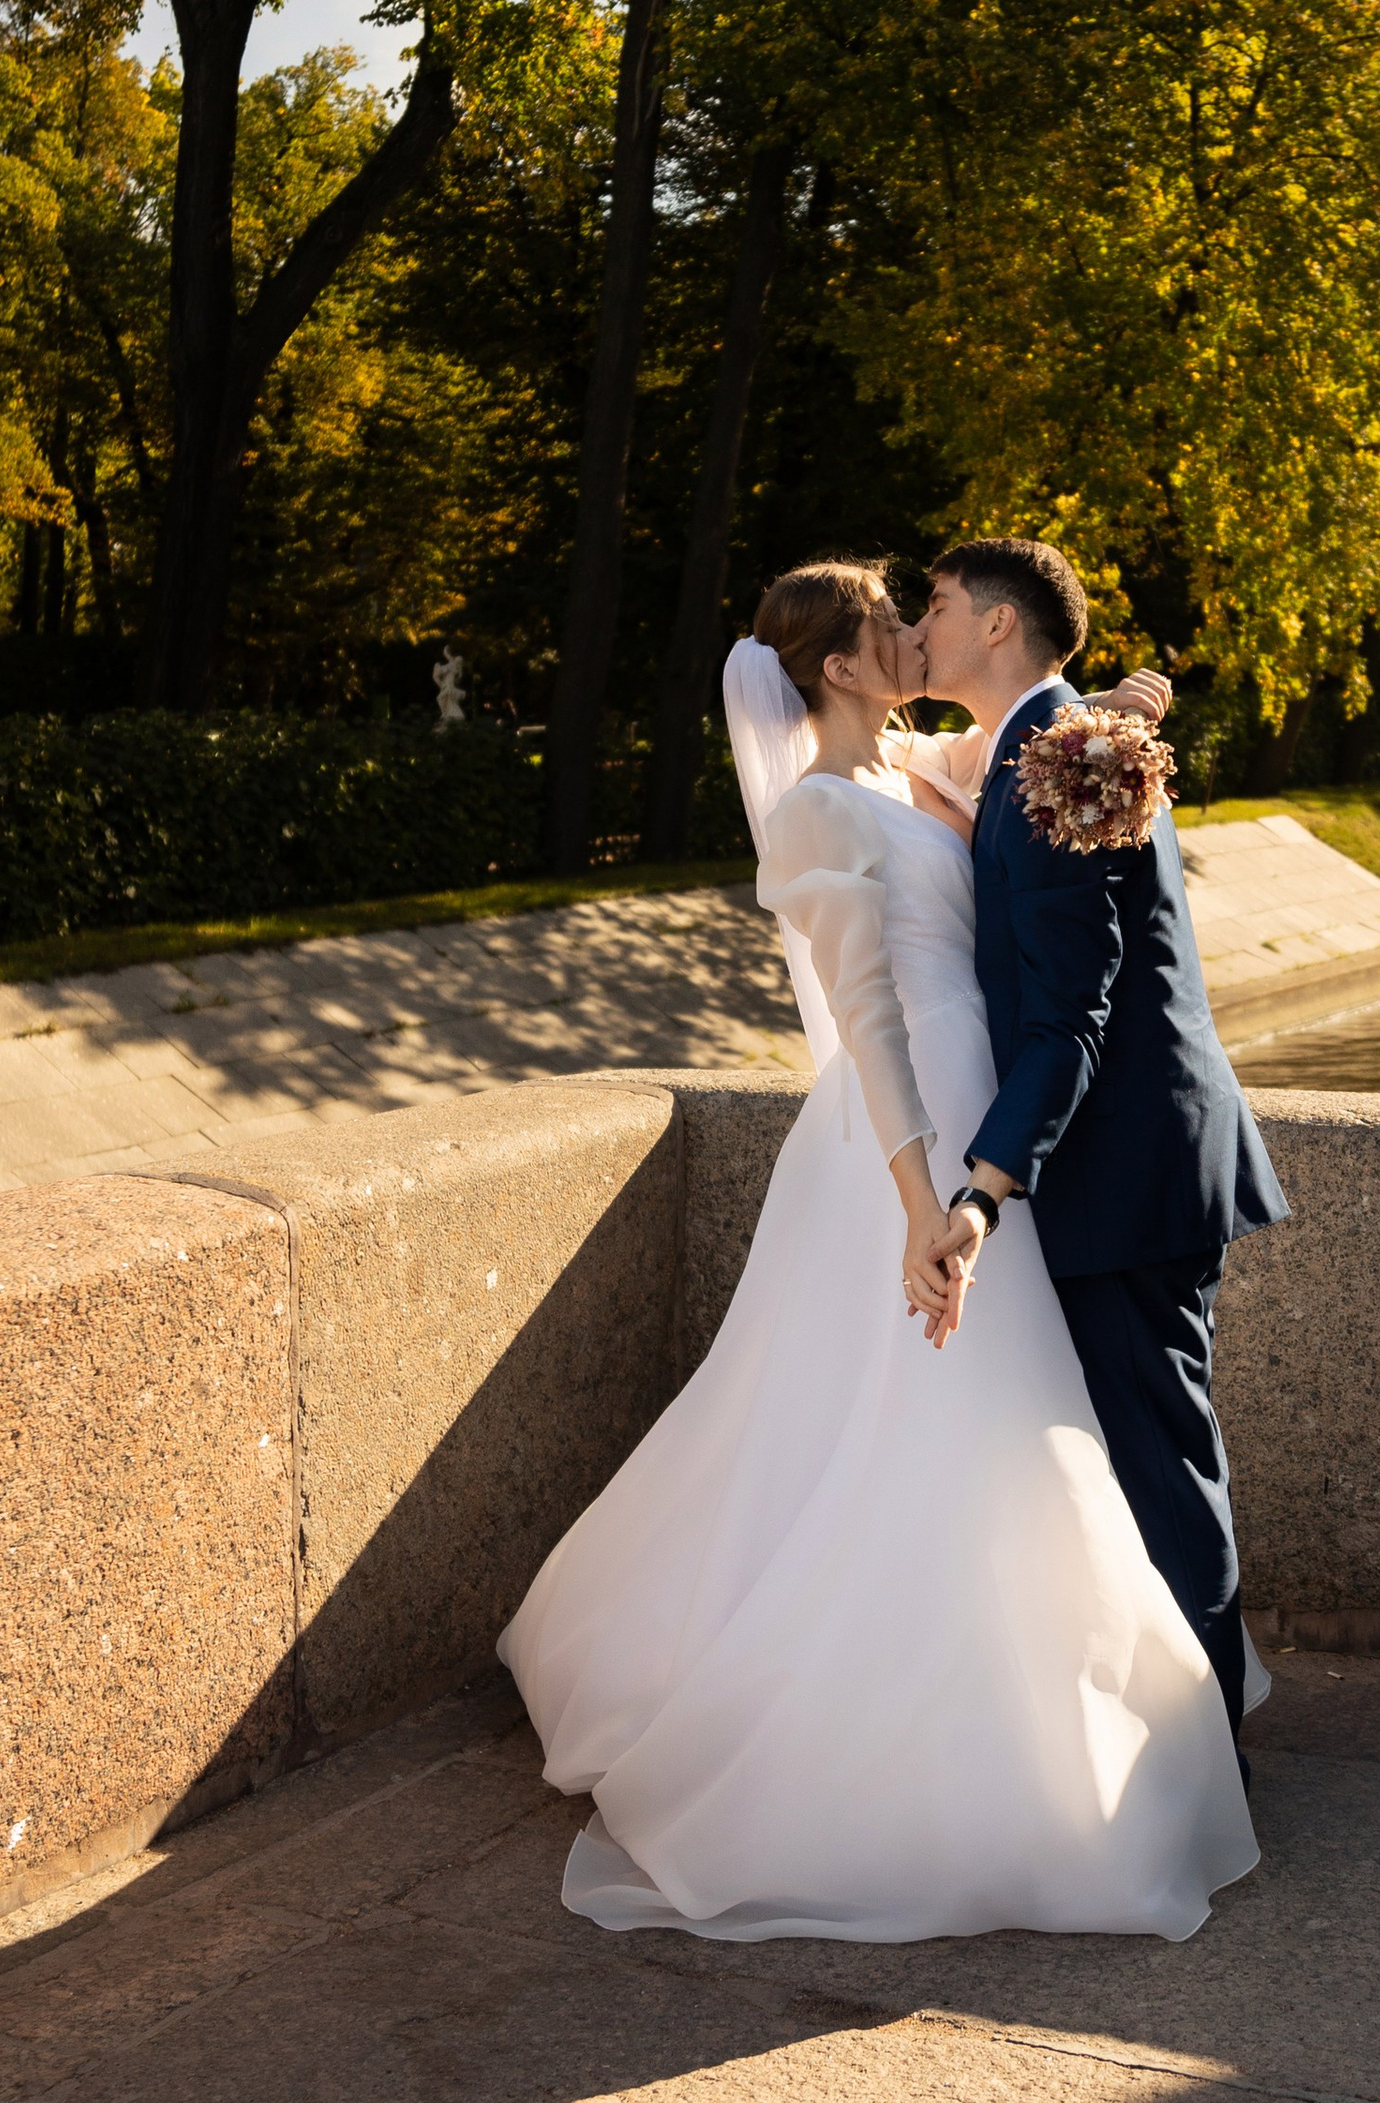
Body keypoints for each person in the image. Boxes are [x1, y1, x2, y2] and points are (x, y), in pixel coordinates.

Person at [498, 560, 1259, 1942]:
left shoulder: (935, 766)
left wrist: (1126, 704)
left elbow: (1051, 744)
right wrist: (931, 1204)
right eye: (888, 624)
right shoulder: (813, 815)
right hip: (930, 1146)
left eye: (931, 614)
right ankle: (964, 1744)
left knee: (1039, 1438)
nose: (913, 632)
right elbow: (866, 1019)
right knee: (939, 1438)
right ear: (842, 668)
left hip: (1007, 1137)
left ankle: (1113, 1711)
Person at [908, 538, 1289, 1744]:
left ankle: (1207, 1754)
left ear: (999, 628)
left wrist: (981, 1191)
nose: (922, 623)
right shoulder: (1055, 741)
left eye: (938, 605)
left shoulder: (1063, 756)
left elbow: (1073, 1012)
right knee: (1140, 1454)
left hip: (1128, 1171)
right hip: (1134, 1154)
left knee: (1161, 1460)